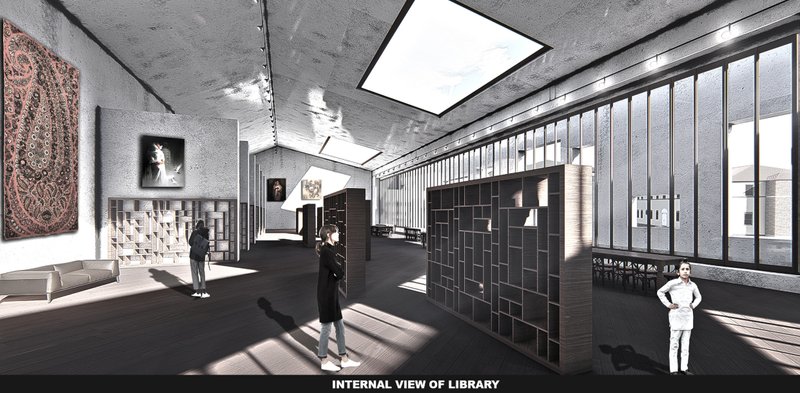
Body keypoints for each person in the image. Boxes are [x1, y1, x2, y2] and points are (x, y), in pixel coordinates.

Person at [316, 224, 360, 371]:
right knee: (326, 328)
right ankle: (323, 360)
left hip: (331, 294)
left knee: (339, 327)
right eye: (337, 233)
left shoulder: (329, 250)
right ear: (329, 234)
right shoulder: (327, 253)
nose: (339, 235)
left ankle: (344, 358)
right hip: (326, 295)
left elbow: (338, 271)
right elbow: (340, 273)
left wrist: (337, 271)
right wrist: (338, 271)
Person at [656, 261, 702, 375]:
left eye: (687, 269)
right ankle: (673, 370)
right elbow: (660, 292)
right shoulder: (673, 284)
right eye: (683, 269)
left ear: (690, 272)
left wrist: (693, 305)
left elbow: (699, 297)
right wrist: (668, 304)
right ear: (678, 272)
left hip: (688, 318)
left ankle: (684, 368)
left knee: (686, 345)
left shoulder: (693, 285)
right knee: (674, 344)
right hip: (676, 317)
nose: (685, 271)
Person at [188, 220, 210, 298]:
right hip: (201, 257)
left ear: (197, 225)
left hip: (193, 256)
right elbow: (207, 245)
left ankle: (197, 291)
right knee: (202, 273)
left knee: (194, 273)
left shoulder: (194, 232)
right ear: (203, 225)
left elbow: (190, 242)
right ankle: (204, 291)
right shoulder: (206, 233)